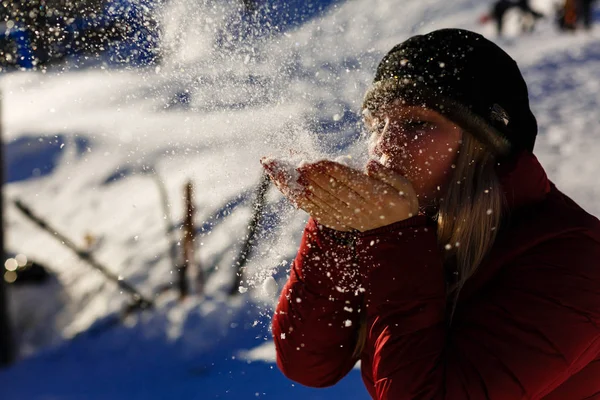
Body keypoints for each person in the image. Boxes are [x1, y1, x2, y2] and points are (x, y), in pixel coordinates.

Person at [262, 28, 600, 399]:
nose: (384, 146)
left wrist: (396, 238)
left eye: (416, 123)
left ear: (484, 143)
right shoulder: (418, 224)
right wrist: (336, 226)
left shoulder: (577, 260)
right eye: (377, 125)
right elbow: (309, 363)